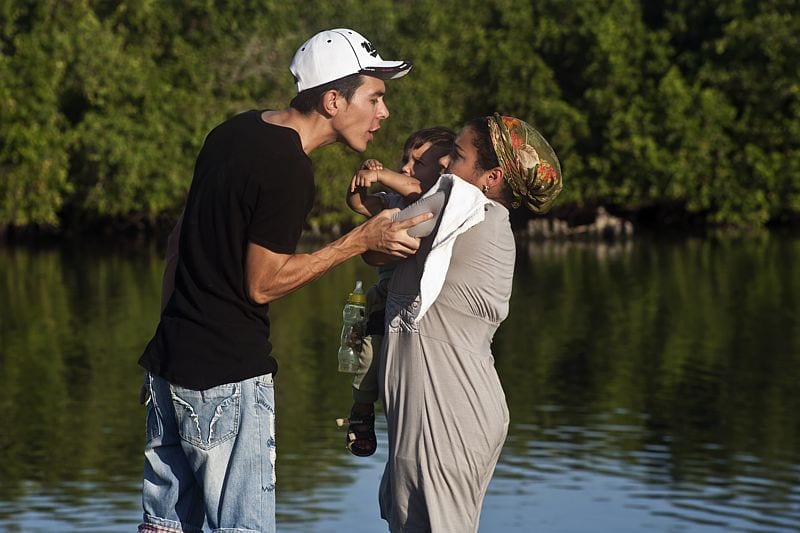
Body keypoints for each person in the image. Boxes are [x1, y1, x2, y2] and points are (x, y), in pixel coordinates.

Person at [136, 28, 431, 533]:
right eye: (375, 98)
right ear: (333, 100)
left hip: (167, 366)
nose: (384, 114)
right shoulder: (290, 168)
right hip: (226, 376)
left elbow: (176, 243)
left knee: (162, 528)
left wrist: (176, 329)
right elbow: (262, 284)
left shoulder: (232, 131)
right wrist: (359, 242)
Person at [376, 114, 563, 532]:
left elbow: (377, 243)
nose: (444, 164)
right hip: (439, 408)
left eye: (457, 156)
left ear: (491, 177)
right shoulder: (482, 219)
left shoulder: (462, 203)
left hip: (449, 412)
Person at [342, 127, 455, 457]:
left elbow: (416, 187)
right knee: (366, 357)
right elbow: (358, 204)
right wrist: (362, 179)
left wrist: (382, 173)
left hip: (416, 309)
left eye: (417, 162)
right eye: (404, 159)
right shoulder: (393, 203)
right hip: (384, 296)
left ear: (443, 170)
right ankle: (361, 409)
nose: (406, 167)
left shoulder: (436, 201)